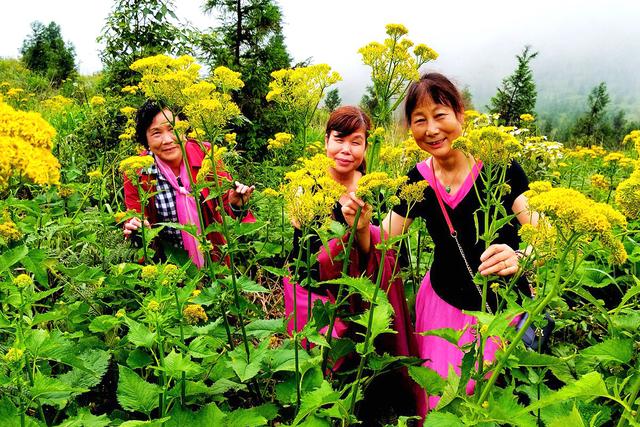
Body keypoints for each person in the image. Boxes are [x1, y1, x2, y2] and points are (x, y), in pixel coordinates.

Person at [342, 73, 536, 418]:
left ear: (461, 115)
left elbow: (544, 234)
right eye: (419, 120)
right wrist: (360, 224)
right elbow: (384, 240)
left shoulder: (500, 165)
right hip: (440, 305)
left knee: (484, 396)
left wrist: (520, 258)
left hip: (501, 307)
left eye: (440, 115)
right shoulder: (417, 180)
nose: (431, 129)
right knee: (436, 404)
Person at [284, 105, 417, 422]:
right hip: (316, 289)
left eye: (356, 141)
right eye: (339, 139)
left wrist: (361, 228)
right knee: (320, 359)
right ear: (326, 140)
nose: (346, 150)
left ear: (366, 146)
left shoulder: (375, 188)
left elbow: (385, 253)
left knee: (364, 363)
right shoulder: (307, 185)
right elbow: (304, 253)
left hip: (360, 290)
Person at [123, 100, 255, 267]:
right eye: (156, 133)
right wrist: (135, 227)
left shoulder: (206, 154)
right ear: (146, 139)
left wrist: (235, 203)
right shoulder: (135, 170)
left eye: (173, 129)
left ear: (185, 129)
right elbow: (134, 216)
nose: (167, 140)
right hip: (168, 266)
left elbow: (225, 201)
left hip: (214, 260)